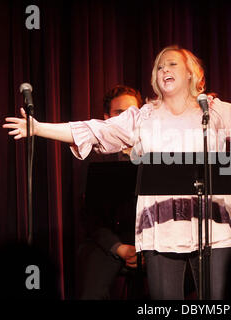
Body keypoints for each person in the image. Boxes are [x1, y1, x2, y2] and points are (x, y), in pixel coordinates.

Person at [3, 45, 231, 299]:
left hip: (215, 230)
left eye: (172, 64)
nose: (164, 70)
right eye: (159, 66)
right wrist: (39, 128)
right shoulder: (141, 117)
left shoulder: (215, 112)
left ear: (194, 75)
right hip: (162, 230)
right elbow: (91, 129)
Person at [77, 85, 143, 299]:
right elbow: (91, 219)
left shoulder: (159, 152)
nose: (126, 119)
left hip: (153, 241)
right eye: (119, 113)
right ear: (106, 118)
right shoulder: (93, 157)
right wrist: (119, 248)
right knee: (92, 291)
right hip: (109, 240)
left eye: (132, 113)